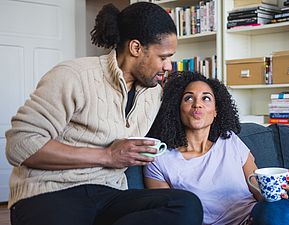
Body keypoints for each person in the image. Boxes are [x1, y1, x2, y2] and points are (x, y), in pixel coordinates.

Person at [5, 3, 203, 225]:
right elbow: (20, 145)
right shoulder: (73, 76)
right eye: (163, 57)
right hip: (50, 192)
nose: (168, 66)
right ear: (136, 48)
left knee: (186, 205)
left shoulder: (153, 93)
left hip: (110, 194)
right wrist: (108, 156)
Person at [144, 71, 289, 225]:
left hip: (254, 217)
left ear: (216, 110)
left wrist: (274, 191)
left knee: (285, 212)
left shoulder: (230, 140)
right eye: (189, 98)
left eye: (206, 98)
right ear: (177, 108)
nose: (197, 105)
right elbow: (171, 217)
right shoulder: (159, 160)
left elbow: (257, 190)